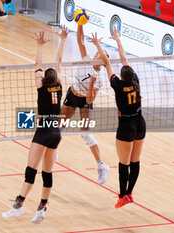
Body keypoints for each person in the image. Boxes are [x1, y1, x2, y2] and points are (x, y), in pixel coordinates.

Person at [1, 26, 68, 224]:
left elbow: (37, 63)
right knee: (47, 173)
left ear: (43, 79)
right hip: (55, 132)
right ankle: (41, 208)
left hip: (44, 131)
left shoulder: (41, 88)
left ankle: (18, 206)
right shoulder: (59, 84)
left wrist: (39, 45)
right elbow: (59, 62)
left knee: (31, 170)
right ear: (55, 78)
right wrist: (63, 40)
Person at [90, 28, 146, 208]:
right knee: (135, 161)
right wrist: (118, 41)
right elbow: (123, 59)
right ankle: (130, 193)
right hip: (140, 123)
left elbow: (107, 63)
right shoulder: (135, 80)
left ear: (121, 76)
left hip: (126, 125)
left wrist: (98, 43)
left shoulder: (118, 85)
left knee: (124, 163)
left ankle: (122, 195)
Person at [60, 24, 109, 185]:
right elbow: (80, 41)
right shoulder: (86, 59)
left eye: (99, 55)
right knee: (59, 125)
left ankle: (101, 166)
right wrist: (80, 23)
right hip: (71, 94)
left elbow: (89, 100)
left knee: (85, 133)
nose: (95, 55)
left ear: (102, 61)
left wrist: (90, 85)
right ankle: (51, 152)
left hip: (84, 100)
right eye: (95, 52)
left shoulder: (99, 79)